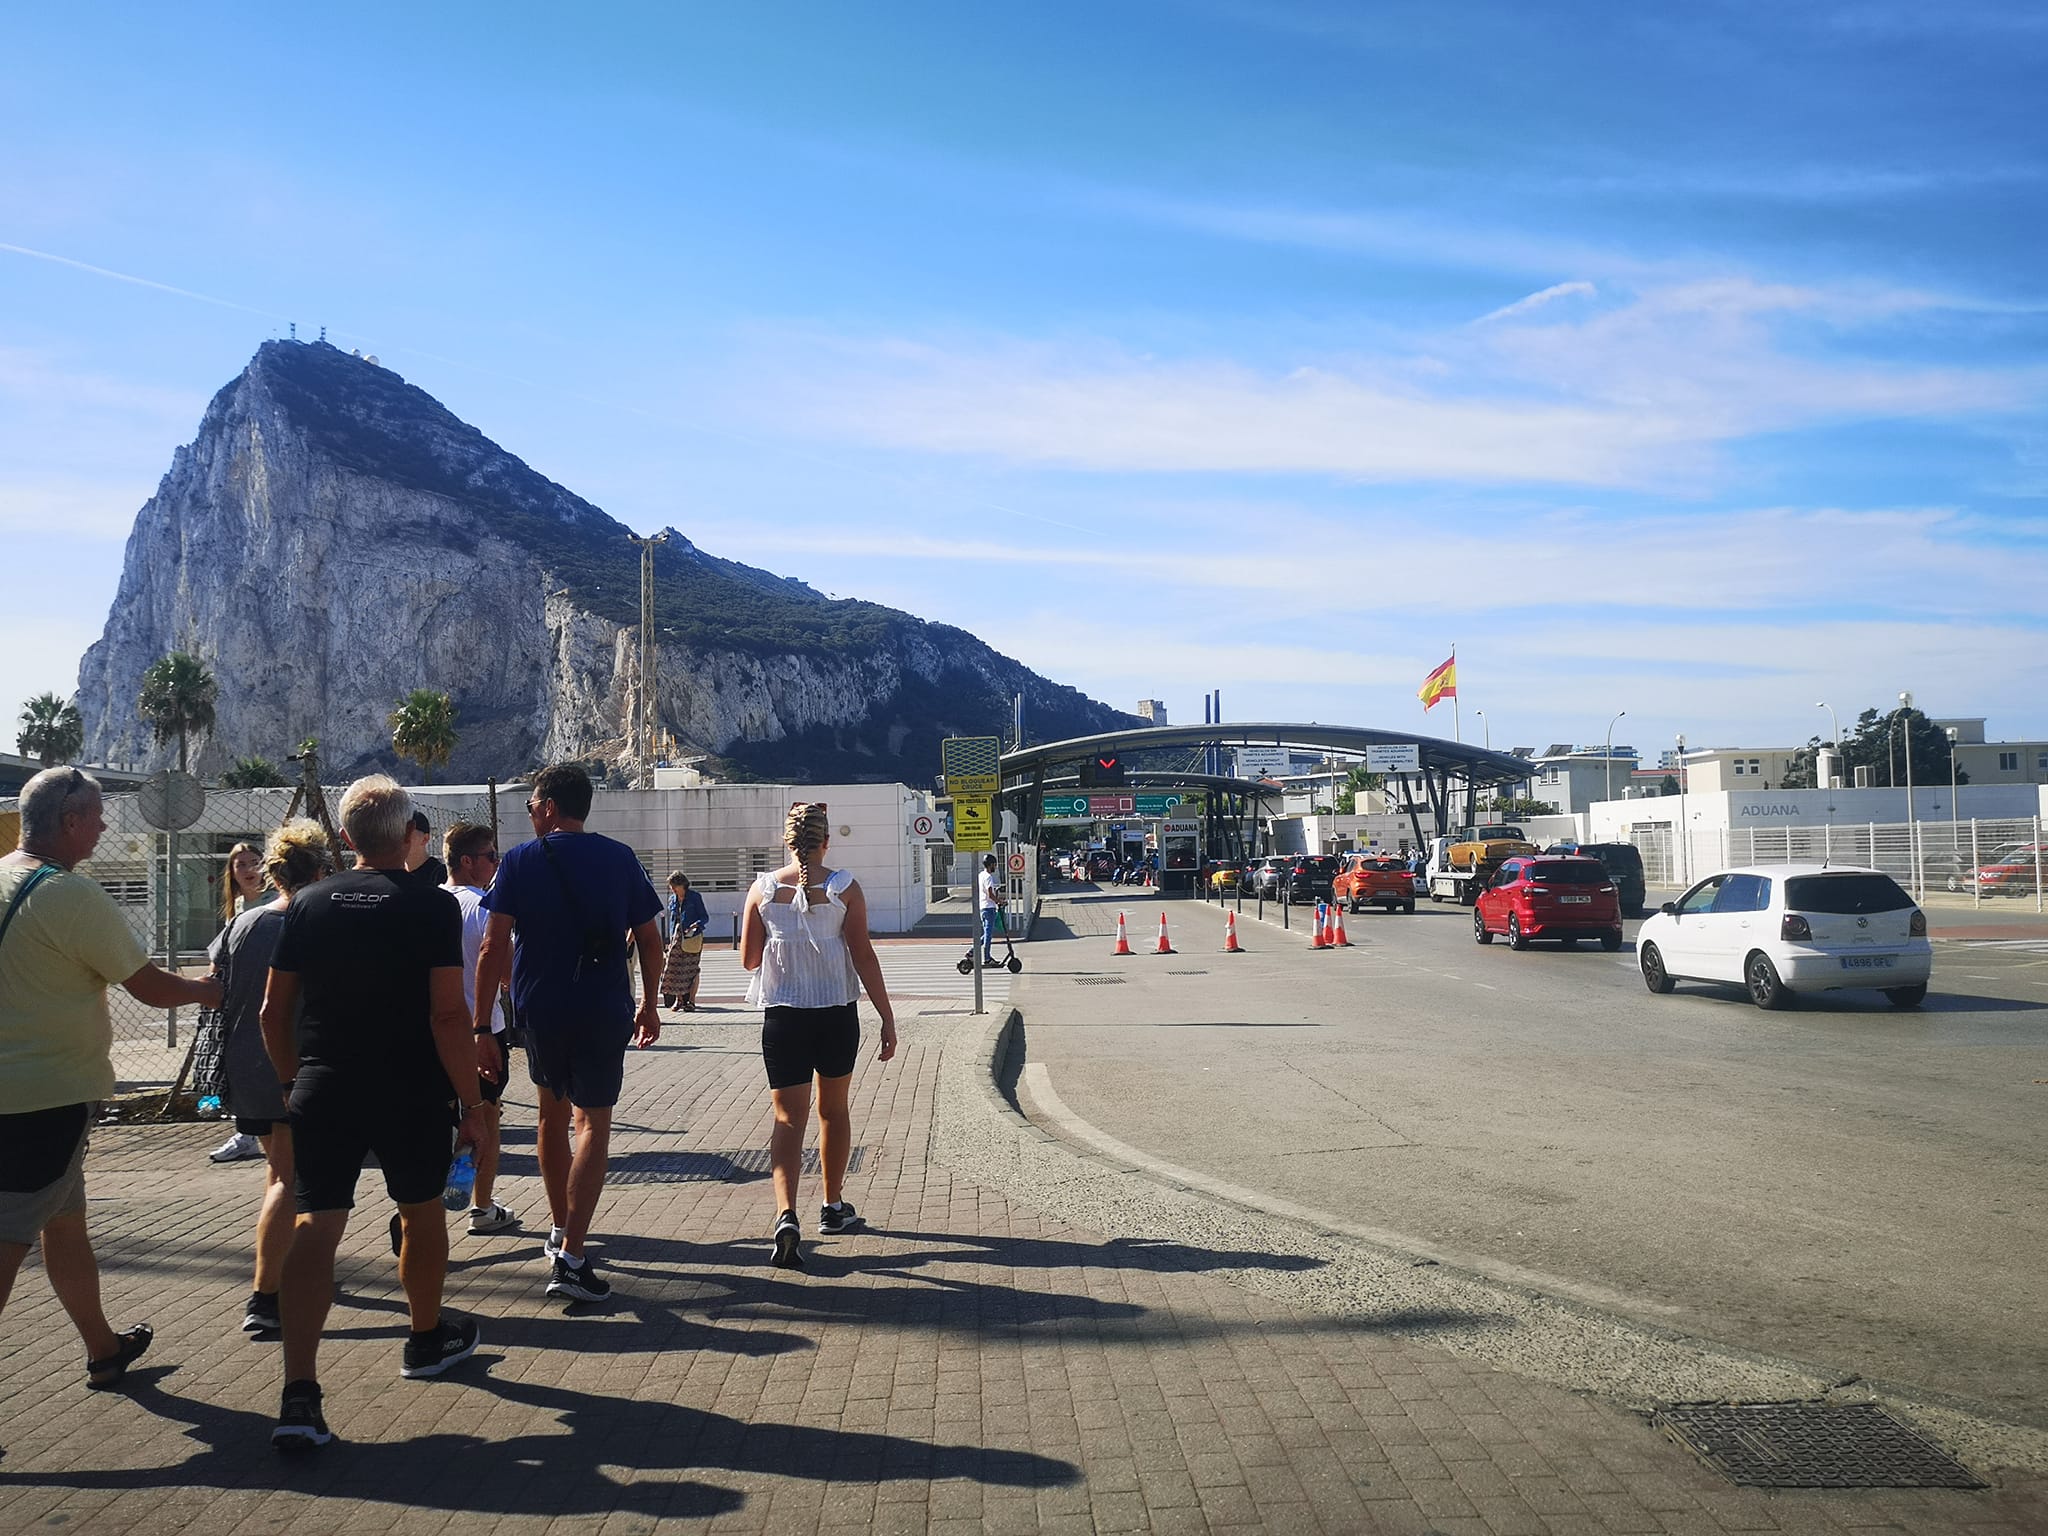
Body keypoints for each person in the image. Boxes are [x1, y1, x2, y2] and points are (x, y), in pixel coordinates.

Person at [261, 775, 487, 1452]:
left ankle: (299, 1391)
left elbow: (276, 1012)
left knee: (317, 1222)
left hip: (324, 1083)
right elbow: (448, 1014)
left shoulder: (306, 903)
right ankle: (424, 1339)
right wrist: (471, 1104)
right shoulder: (430, 908)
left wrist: (290, 1080)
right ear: (407, 833)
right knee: (419, 1210)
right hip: (409, 1087)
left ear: (347, 838)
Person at [1, 766, 222, 1389]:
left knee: (65, 1225)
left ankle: (103, 1348)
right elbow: (149, 988)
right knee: (9, 1240)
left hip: (17, 1095)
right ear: (69, 822)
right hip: (44, 1101)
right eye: (95, 817)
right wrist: (212, 990)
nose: (102, 827)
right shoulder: (71, 895)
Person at [471, 763, 662, 1306]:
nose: (530, 814)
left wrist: (483, 1026)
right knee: (592, 1125)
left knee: (550, 1117)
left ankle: (560, 1230)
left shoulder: (519, 862)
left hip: (540, 1012)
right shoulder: (620, 858)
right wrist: (649, 1004)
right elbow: (648, 938)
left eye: (532, 805)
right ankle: (573, 1254)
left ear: (550, 807)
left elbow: (492, 947)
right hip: (603, 1009)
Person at [739, 801, 898, 1270]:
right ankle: (832, 1206)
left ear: (786, 842)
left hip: (783, 1018)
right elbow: (864, 956)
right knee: (834, 1111)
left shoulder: (763, 890)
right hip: (835, 1014)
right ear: (826, 841)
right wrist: (887, 1018)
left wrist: (779, 937)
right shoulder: (845, 888)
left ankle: (786, 1213)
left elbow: (749, 961)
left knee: (788, 1119)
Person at [208, 820, 334, 1336]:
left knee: (278, 1173)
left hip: (248, 1069)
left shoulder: (244, 924)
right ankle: (267, 1295)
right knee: (291, 1180)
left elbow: (216, 982)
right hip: (295, 1068)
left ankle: (280, 1275)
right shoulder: (316, 922)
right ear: (321, 869)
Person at [443, 820, 515, 1236]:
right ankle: (481, 1206)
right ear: (469, 861)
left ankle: (423, 1206)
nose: (496, 863)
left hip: (432, 1032)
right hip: (481, 1028)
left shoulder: (426, 902)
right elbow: (506, 973)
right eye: (490, 856)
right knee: (486, 1119)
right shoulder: (485, 906)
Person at [208, 842, 271, 1164]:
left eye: (254, 862)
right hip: (242, 1005)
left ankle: (252, 1132)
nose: (248, 870)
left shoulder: (273, 906)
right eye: (240, 864)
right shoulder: (237, 911)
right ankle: (246, 1133)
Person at [660, 871, 709, 1012]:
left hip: (692, 937)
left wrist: (696, 925)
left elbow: (704, 917)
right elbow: (672, 920)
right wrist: (670, 939)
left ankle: (691, 1001)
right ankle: (679, 1000)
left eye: (674, 886)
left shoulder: (694, 897)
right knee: (673, 968)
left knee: (692, 970)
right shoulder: (672, 899)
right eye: (671, 887)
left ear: (682, 884)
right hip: (677, 937)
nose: (672, 889)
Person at [403, 809, 449, 888]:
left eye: (407, 833)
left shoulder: (439, 874)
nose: (400, 838)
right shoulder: (394, 872)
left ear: (425, 839)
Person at [976, 854, 1005, 966]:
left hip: (983, 907)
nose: (995, 867)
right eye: (994, 864)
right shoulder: (988, 877)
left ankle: (971, 952)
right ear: (990, 865)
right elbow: (990, 894)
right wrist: (999, 901)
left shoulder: (981, 875)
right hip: (989, 908)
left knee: (986, 934)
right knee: (988, 934)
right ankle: (987, 958)